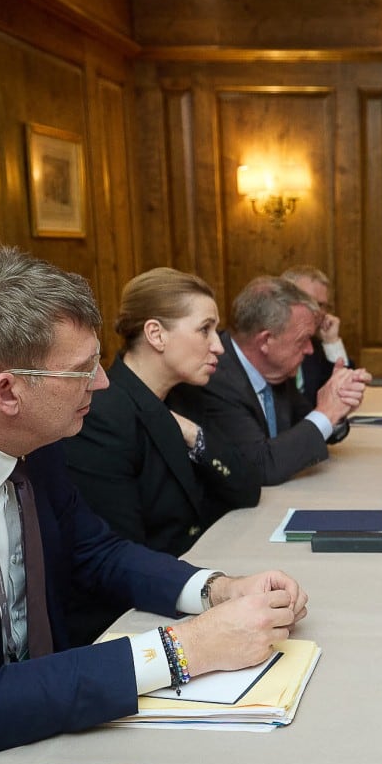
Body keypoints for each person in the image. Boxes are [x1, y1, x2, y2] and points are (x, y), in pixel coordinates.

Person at [0, 247, 308, 764]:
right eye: (81, 371)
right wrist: (186, 649)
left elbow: (95, 549)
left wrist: (216, 589)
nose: (101, 382)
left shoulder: (34, 434)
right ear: (8, 391)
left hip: (48, 723)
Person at [63, 268, 261, 644]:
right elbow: (118, 559)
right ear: (156, 334)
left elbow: (246, 487)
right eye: (205, 329)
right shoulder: (104, 414)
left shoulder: (186, 396)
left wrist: (189, 432)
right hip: (139, 618)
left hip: (186, 582)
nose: (218, 345)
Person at [194, 275, 372, 486]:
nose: (310, 349)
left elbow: (306, 428)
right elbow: (260, 467)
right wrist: (327, 412)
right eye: (303, 340)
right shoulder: (215, 377)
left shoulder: (274, 369)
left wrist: (337, 408)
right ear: (266, 340)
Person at [282, 266, 351, 404]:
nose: (319, 312)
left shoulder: (314, 344)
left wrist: (332, 342)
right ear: (284, 300)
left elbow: (345, 392)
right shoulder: (271, 344)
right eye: (311, 302)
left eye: (323, 305)